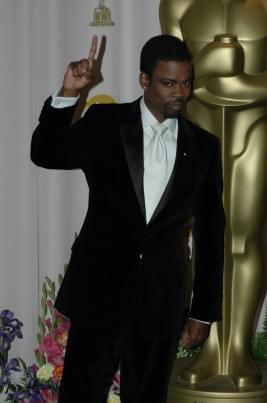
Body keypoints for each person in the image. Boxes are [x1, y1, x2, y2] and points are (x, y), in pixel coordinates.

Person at [31, 34, 225, 403]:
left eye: (186, 83)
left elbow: (213, 232)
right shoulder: (105, 122)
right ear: (144, 80)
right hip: (99, 292)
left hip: (162, 299)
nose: (180, 93)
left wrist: (203, 311)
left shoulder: (204, 146)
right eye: (168, 83)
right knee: (80, 394)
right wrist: (68, 93)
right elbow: (45, 153)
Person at [160, 0, 267, 387]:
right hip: (197, 133)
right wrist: (206, 70)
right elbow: (166, 75)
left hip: (255, 128)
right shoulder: (178, 3)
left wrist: (240, 85)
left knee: (245, 236)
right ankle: (210, 345)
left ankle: (237, 346)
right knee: (206, 238)